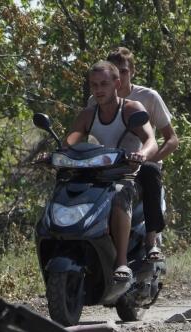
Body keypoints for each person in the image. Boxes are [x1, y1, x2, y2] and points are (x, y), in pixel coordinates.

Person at [65, 60, 158, 282]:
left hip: (126, 176)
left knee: (117, 197)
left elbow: (151, 141)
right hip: (95, 176)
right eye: (94, 85)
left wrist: (142, 154)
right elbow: (69, 142)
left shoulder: (131, 109)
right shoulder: (88, 115)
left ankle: (122, 263)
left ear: (117, 83)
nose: (98, 90)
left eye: (104, 84)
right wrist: (52, 154)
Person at [97, 47, 179, 260]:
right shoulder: (97, 98)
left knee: (150, 171)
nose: (120, 77)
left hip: (140, 162)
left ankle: (151, 241)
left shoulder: (148, 97)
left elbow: (172, 139)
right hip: (109, 165)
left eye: (124, 71)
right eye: (115, 72)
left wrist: (148, 158)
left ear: (132, 71)